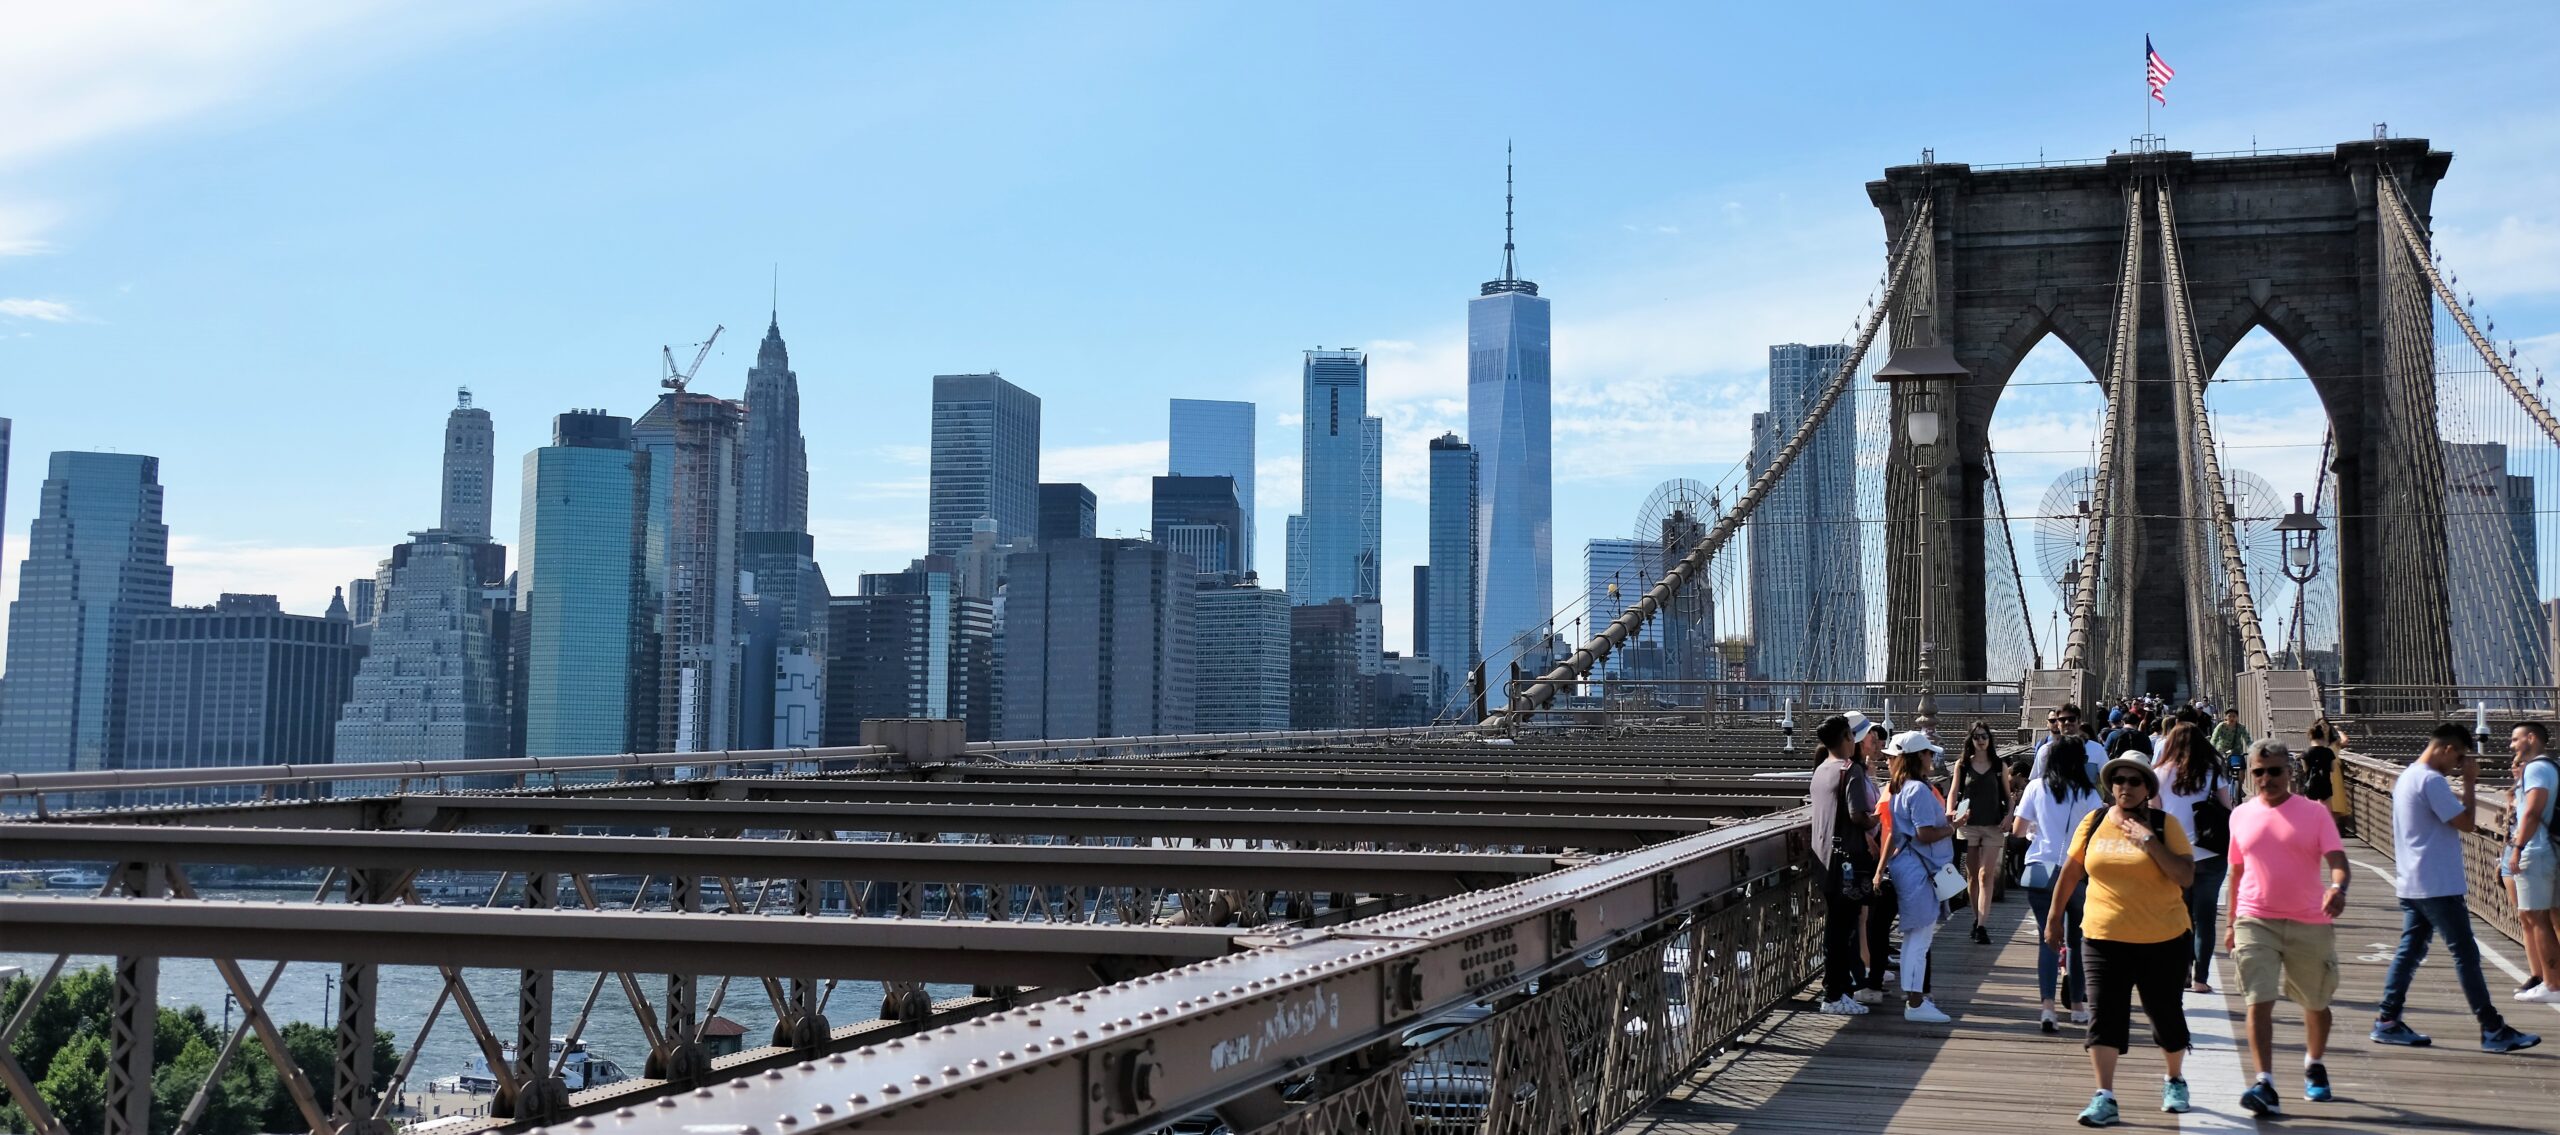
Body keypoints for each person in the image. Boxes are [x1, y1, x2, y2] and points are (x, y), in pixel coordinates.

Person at [2372, 722, 2541, 1052]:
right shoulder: (2431, 780)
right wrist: (2468, 781)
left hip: (2413, 881)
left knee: (2410, 952)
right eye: (2459, 757)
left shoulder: (2409, 776)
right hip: (2437, 883)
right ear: (2447, 749)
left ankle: (2387, 1020)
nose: (2459, 764)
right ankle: (2492, 1028)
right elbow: (2465, 823)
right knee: (2466, 954)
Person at [2048, 754, 2197, 1126]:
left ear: (2147, 789)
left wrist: (2149, 842)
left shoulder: (2166, 825)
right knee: (2103, 1015)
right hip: (2102, 936)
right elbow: (2071, 871)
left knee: (2164, 1013)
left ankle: (2174, 1079)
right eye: (2119, 781)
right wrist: (2053, 918)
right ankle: (2105, 1095)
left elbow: (2185, 876)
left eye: (2134, 781)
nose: (2125, 787)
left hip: (2162, 938)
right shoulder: (2094, 821)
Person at [2222, 740, 2349, 1116]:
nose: (2266, 779)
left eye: (2274, 771)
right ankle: (2265, 1082)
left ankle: (2314, 1062)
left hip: (2309, 919)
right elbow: (2237, 871)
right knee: (2257, 1000)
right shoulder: (2240, 815)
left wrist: (2338, 887)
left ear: (2289, 772)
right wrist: (2230, 923)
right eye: (2258, 772)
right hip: (2254, 918)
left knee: (2315, 1002)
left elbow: (2338, 861)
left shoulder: (2313, 813)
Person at [2012, 732, 2103, 1034]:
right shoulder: (2089, 793)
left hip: (2039, 869)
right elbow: (2098, 831)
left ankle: (2047, 1008)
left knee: (2046, 939)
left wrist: (2033, 833)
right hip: (2075, 871)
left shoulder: (2035, 787)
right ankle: (2077, 1005)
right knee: (2077, 940)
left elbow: (2018, 829)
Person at [1877, 730, 1956, 1022]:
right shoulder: (1919, 790)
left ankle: (1914, 999)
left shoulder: (1899, 788)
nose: (1931, 757)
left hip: (1907, 866)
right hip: (1920, 869)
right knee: (1919, 939)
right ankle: (1915, 1002)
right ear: (1918, 757)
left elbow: (1900, 833)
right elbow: (1924, 834)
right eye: (1928, 753)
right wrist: (1951, 827)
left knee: (1914, 936)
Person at [2150, 722, 2234, 993]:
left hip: (2175, 856)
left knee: (2180, 916)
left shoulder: (2158, 773)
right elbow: (2227, 807)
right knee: (2205, 918)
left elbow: (2156, 816)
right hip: (2210, 852)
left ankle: (2183, 972)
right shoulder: (2211, 771)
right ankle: (2201, 978)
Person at [1810, 714, 1881, 1016]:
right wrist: (1878, 816)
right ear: (1846, 738)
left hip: (1823, 860)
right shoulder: (1850, 771)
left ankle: (1836, 990)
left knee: (1834, 930)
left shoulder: (1820, 770)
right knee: (1844, 930)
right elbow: (1857, 815)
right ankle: (1835, 994)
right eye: (1852, 737)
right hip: (1848, 862)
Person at [2503, 721, 2560, 1003]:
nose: (2511, 745)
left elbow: (2532, 812)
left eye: (2515, 739)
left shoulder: (2537, 768)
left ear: (2531, 738)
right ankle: (2551, 981)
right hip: (2546, 849)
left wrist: (2517, 847)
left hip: (2535, 850)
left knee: (2537, 918)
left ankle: (2552, 985)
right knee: (2543, 916)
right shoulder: (2549, 767)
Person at [1951, 721, 2012, 943]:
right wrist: (1951, 812)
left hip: (1993, 825)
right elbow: (1954, 791)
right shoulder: (1962, 764)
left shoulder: (1999, 766)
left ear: (1990, 739)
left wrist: (2009, 816)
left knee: (1986, 874)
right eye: (1976, 736)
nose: (1981, 740)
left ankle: (1983, 925)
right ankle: (1977, 919)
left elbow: (2008, 796)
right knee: (1972, 875)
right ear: (1971, 739)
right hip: (1968, 824)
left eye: (1984, 736)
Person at [2033, 704, 2108, 782]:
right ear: (2058, 724)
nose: (2067, 722)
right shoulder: (2046, 750)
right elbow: (2038, 781)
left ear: (2079, 721)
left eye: (2071, 719)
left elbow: (2108, 779)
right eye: (2062, 719)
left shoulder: (2097, 749)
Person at [2210, 709, 2252, 774]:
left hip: (2236, 751)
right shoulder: (2221, 726)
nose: (2232, 718)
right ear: (2226, 717)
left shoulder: (2241, 727)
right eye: (2229, 716)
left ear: (2237, 717)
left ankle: (2239, 783)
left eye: (2234, 716)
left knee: (2241, 768)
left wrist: (2253, 749)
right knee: (2221, 769)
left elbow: (2248, 739)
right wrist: (2212, 748)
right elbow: (2214, 738)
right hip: (2222, 750)